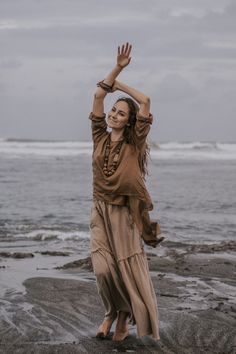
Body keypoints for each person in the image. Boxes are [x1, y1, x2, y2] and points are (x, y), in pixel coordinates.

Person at [89, 42, 162, 342]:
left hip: (124, 212)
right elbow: (97, 95)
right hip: (100, 209)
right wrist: (115, 67)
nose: (113, 115)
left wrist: (119, 83)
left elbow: (145, 100)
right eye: (113, 111)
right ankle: (111, 311)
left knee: (124, 268)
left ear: (129, 121)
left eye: (120, 114)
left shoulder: (136, 142)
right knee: (103, 269)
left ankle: (122, 316)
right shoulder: (99, 136)